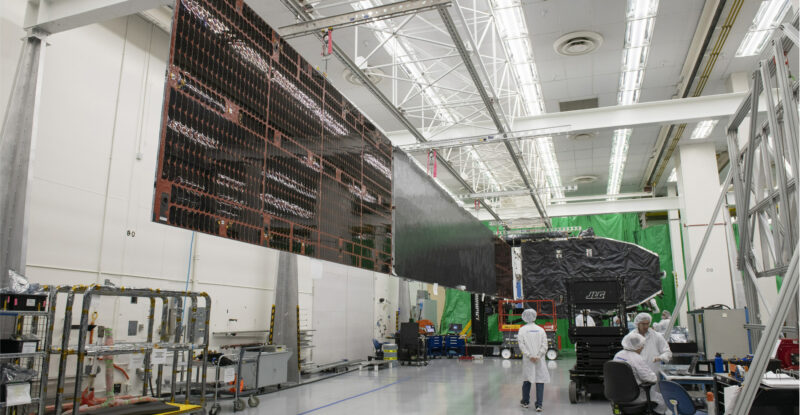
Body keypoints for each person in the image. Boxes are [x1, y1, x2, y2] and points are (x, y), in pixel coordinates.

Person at [613, 332, 665, 414]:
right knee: (662, 400)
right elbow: (651, 379)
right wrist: (653, 375)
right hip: (636, 396)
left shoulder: (618, 355)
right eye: (642, 345)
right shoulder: (637, 358)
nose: (642, 347)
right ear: (637, 346)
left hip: (618, 396)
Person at [518, 308, 550, 411]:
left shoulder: (522, 330)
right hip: (539, 360)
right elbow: (545, 345)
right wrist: (538, 355)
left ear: (524, 317)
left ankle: (525, 402)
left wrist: (529, 355)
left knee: (527, 379)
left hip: (528, 360)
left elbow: (521, 345)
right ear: (535, 316)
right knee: (539, 380)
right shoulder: (541, 330)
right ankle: (539, 405)